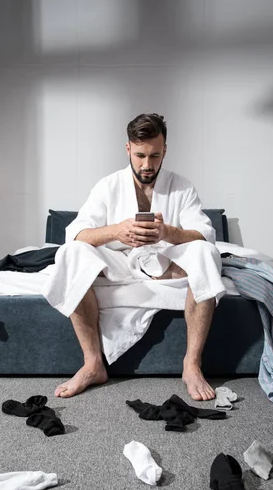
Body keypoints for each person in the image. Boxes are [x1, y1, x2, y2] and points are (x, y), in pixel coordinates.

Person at [48, 113, 226, 401]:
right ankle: (93, 363)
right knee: (71, 253)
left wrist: (167, 232)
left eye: (155, 156)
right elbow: (76, 233)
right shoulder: (108, 186)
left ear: (165, 150)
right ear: (128, 148)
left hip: (168, 262)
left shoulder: (182, 186)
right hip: (119, 264)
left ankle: (192, 365)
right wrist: (116, 232)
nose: (147, 165)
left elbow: (206, 234)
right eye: (140, 155)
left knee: (205, 252)